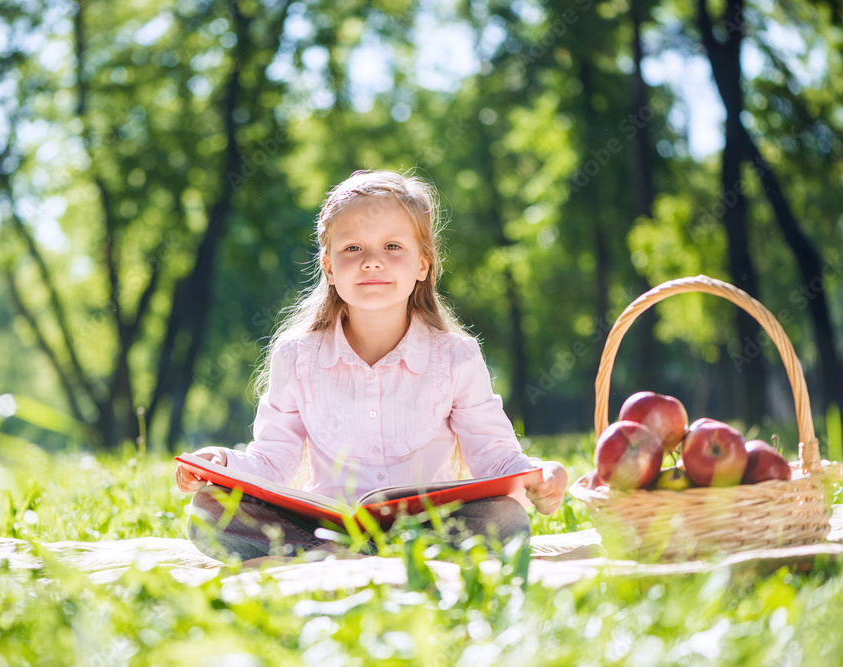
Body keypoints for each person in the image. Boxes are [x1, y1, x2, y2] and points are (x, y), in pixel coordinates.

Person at [177, 169, 568, 563]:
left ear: (423, 265)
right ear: (329, 267)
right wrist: (221, 462)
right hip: (322, 528)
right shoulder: (297, 357)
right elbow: (271, 461)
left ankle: (344, 557)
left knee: (504, 517)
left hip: (429, 526)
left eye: (393, 246)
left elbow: (495, 455)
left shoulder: (456, 357)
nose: (372, 262)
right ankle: (336, 551)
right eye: (352, 249)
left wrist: (539, 472)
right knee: (210, 511)